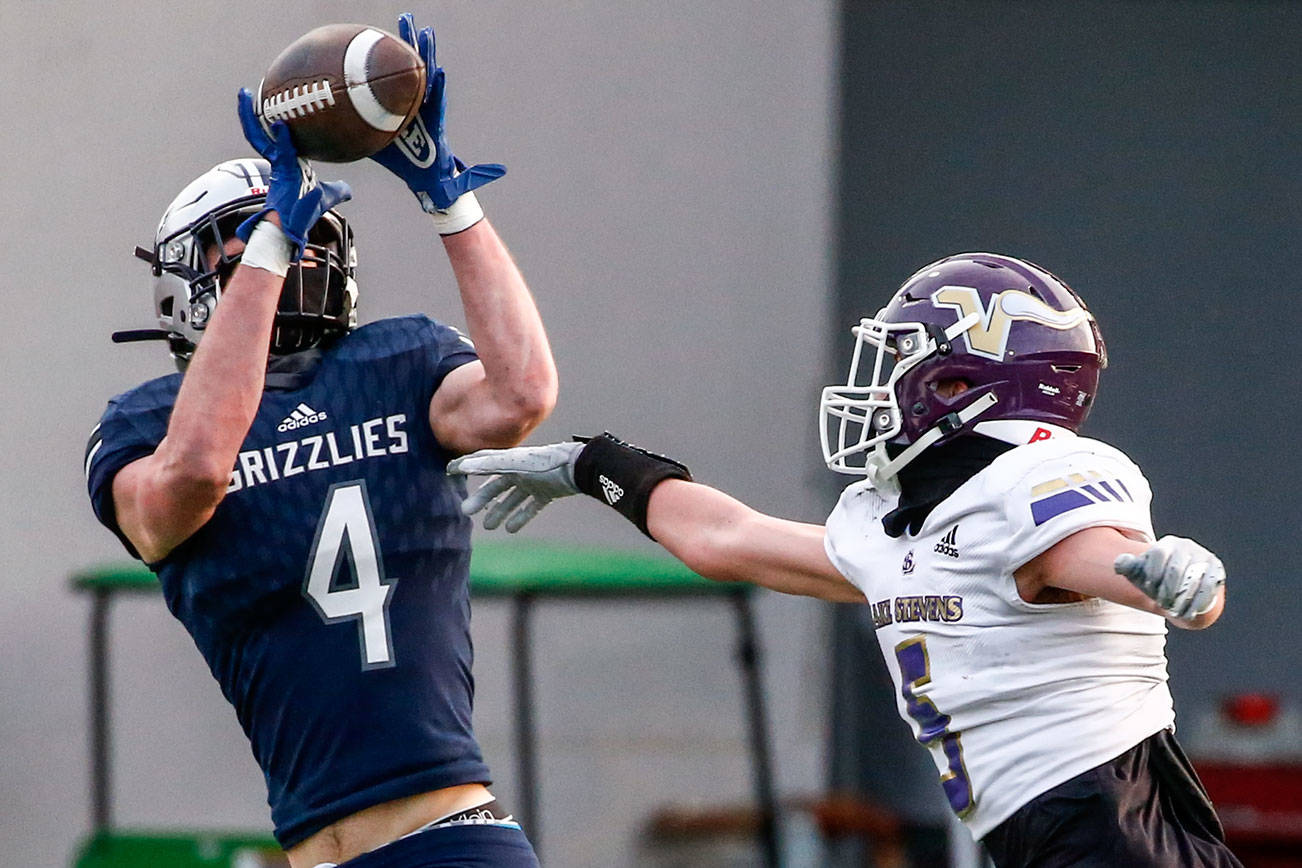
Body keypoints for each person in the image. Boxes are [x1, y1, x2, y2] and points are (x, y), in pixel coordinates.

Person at [446, 252, 1241, 867]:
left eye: (903, 359)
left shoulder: (1032, 480)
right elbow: (724, 538)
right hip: (1045, 836)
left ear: (963, 380)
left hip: (1122, 829)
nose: (882, 385)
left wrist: (1174, 581)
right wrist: (596, 466)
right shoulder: (893, 525)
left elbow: (1099, 558)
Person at [84, 15, 554, 868]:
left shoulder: (399, 362)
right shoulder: (150, 422)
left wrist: (449, 198)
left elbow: (519, 396)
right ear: (182, 281)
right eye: (251, 238)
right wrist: (266, 245)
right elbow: (189, 480)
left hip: (449, 840)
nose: (290, 255)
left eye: (301, 237)